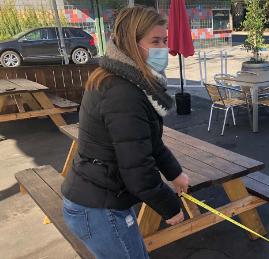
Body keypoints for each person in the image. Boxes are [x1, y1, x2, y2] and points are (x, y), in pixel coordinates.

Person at [61, 6, 189, 258]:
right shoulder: (123, 93)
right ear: (132, 44)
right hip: (98, 207)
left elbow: (149, 142)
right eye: (155, 41)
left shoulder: (124, 80)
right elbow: (138, 170)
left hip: (102, 200)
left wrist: (175, 173)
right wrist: (171, 207)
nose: (163, 48)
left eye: (164, 40)